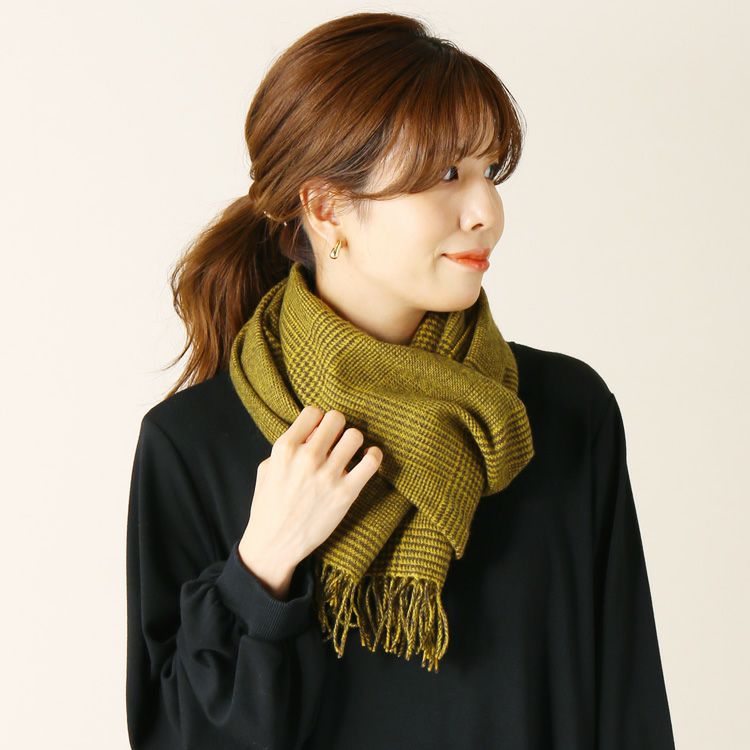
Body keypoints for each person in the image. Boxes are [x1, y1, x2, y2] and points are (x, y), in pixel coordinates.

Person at [125, 11, 676, 749]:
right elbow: (173, 737)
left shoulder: (563, 415)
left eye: (489, 172)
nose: (486, 212)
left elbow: (628, 709)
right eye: (446, 174)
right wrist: (261, 569)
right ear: (326, 207)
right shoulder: (194, 444)